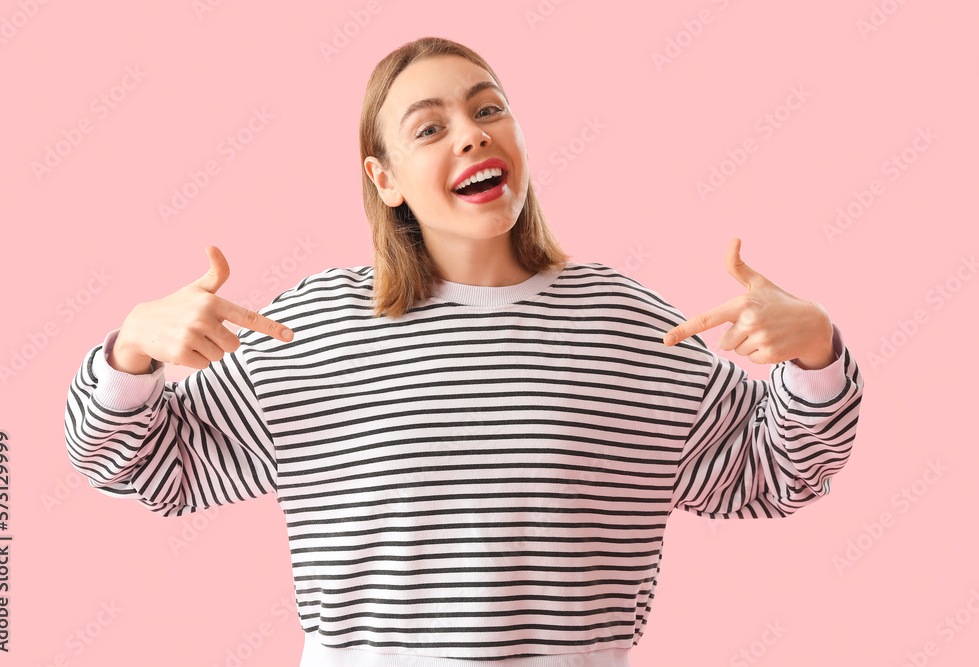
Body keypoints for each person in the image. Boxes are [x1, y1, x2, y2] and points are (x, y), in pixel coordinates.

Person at [63, 36, 864, 667]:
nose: (473, 133)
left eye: (489, 109)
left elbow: (775, 472)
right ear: (386, 179)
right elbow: (141, 466)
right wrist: (132, 351)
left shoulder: (625, 324)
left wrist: (817, 354)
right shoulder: (317, 329)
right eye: (430, 127)